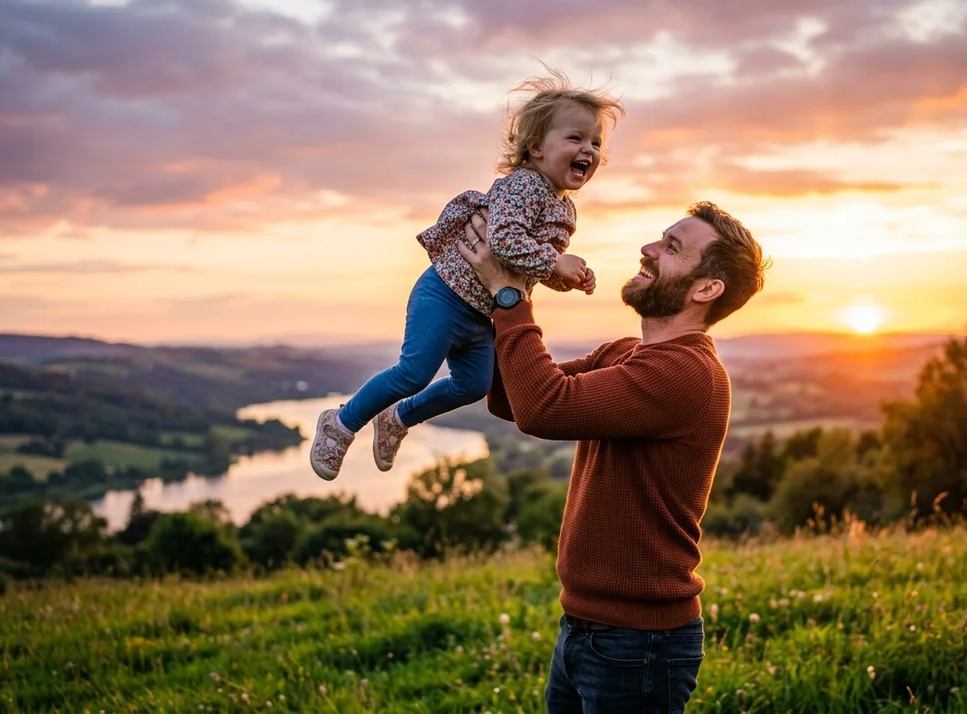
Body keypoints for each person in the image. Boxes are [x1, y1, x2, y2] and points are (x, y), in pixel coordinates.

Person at [456, 201, 770, 713]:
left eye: (672, 248)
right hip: (585, 630)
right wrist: (484, 295)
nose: (647, 250)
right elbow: (512, 397)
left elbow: (543, 408)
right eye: (659, 238)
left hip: (639, 645)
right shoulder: (626, 354)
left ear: (706, 288)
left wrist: (510, 295)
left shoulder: (687, 374)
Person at [310, 71, 624, 481]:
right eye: (575, 138)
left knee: (473, 384)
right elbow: (505, 241)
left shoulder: (564, 208)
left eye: (595, 143)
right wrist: (554, 262)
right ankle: (341, 423)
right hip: (445, 293)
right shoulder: (525, 185)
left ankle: (398, 418)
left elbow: (526, 264)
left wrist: (566, 276)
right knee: (413, 371)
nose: (588, 149)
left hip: (482, 314)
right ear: (535, 148)